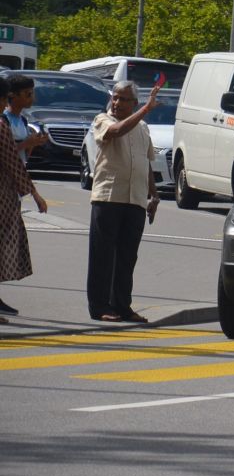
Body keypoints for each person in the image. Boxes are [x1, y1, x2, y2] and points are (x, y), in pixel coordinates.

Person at [87, 80, 161, 323]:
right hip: (109, 197)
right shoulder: (103, 120)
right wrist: (146, 110)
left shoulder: (143, 128)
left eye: (123, 99)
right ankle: (100, 307)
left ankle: (122, 306)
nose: (117, 103)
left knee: (127, 257)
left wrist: (154, 194)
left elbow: (146, 162)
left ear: (134, 103)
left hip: (136, 200)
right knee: (103, 255)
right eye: (115, 97)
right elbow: (116, 131)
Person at [0, 76, 49, 320]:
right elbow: (10, 158)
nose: (31, 98)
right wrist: (35, 194)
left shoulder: (20, 120)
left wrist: (31, 144)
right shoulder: (2, 122)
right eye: (27, 93)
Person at [3, 73, 51, 164]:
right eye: (28, 94)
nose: (32, 98)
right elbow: (4, 152)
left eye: (32, 93)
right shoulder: (3, 120)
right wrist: (26, 143)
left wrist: (34, 142)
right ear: (12, 95)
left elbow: (24, 155)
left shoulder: (23, 120)